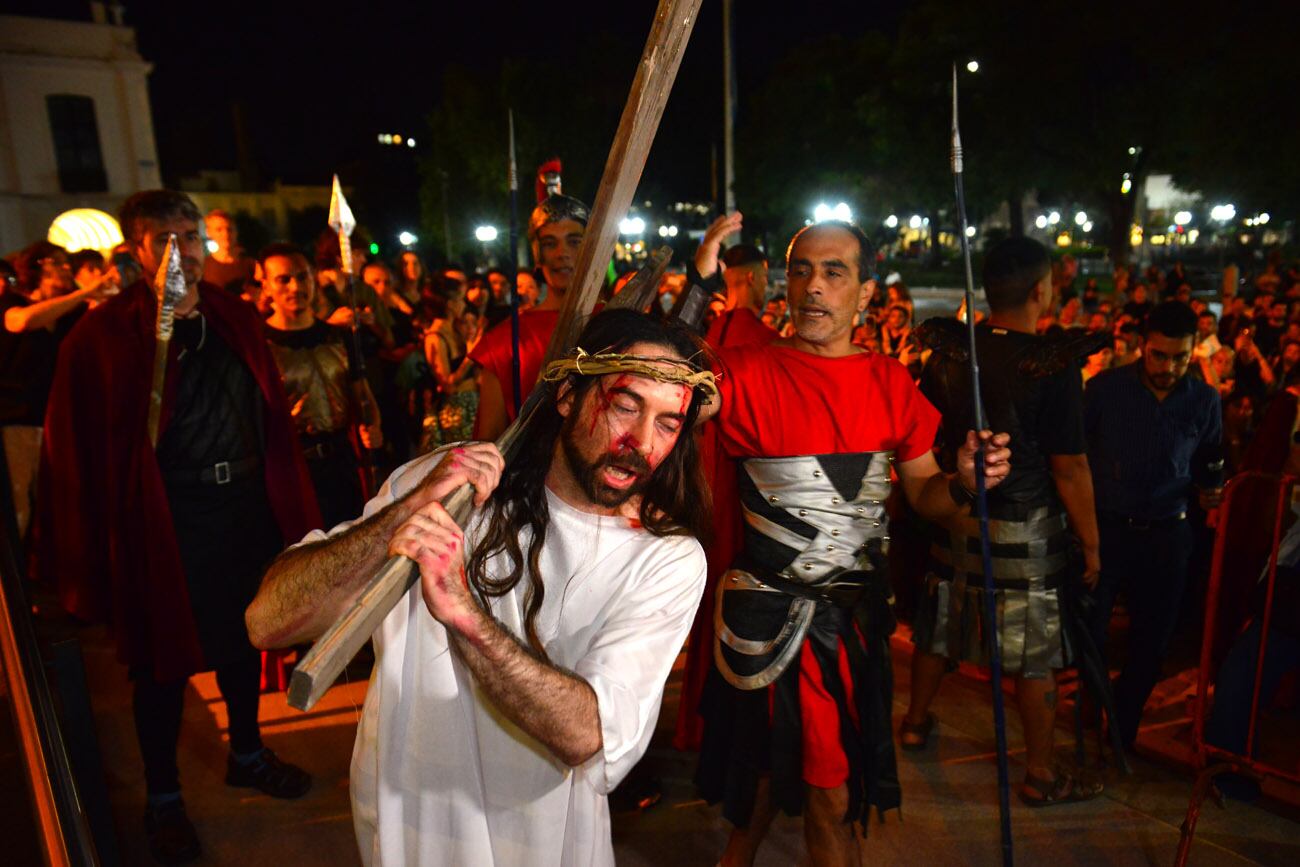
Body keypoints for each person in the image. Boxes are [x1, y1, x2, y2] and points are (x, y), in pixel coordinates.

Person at [246, 308, 712, 866]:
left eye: (667, 423)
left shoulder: (666, 560)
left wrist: (463, 613)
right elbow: (267, 622)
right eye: (625, 406)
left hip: (543, 847)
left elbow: (587, 734)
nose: (640, 441)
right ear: (566, 396)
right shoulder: (447, 483)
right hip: (408, 833)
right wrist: (401, 516)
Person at [693, 221, 1011, 866]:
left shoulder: (893, 383)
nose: (813, 287)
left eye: (834, 272)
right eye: (801, 270)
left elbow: (925, 497)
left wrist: (963, 484)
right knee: (815, 791)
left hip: (857, 628)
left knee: (790, 780)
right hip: (770, 614)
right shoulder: (736, 373)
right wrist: (696, 289)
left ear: (865, 292)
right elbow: (655, 394)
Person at [38, 191, 318, 865]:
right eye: (163, 239)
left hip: (242, 508)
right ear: (135, 251)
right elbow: (74, 448)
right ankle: (162, 797)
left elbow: (267, 416)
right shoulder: (102, 335)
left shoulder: (235, 318)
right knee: (160, 663)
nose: (180, 252)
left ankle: (246, 752)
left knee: (242, 640)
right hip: (168, 518)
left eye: (189, 236)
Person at [906, 237, 1104, 805]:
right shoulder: (1052, 363)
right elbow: (1071, 468)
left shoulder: (947, 351)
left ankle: (915, 722)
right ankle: (1041, 773)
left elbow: (926, 432)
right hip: (1026, 528)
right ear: (1043, 290)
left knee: (941, 612)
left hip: (959, 512)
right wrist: (1092, 543)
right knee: (1034, 649)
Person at [1084, 300, 1224, 749]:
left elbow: (1210, 460)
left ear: (1193, 351)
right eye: (1159, 355)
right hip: (1107, 529)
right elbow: (1076, 459)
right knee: (1090, 632)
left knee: (1152, 642)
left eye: (1180, 357)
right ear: (1142, 347)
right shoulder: (1106, 389)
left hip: (1167, 532)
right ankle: (1091, 715)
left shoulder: (1204, 399)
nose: (1168, 367)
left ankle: (1122, 727)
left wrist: (1212, 488)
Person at [260, 243, 383, 529]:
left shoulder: (337, 337)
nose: (295, 287)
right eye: (284, 279)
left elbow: (362, 393)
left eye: (302, 277)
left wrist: (373, 426)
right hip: (293, 468)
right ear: (266, 286)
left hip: (342, 463)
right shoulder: (260, 344)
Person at [1, 242, 108, 541]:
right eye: (58, 262)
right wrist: (84, 292)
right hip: (15, 420)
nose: (66, 268)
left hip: (54, 422)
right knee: (17, 506)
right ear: (36, 266)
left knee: (52, 509)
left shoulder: (69, 313)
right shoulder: (10, 302)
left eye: (67, 263)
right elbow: (21, 322)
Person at [471, 193, 589, 440]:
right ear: (538, 253)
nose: (561, 253)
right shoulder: (502, 341)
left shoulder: (619, 323)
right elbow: (488, 442)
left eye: (574, 241)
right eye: (549, 243)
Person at [201, 209, 256, 292]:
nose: (225, 234)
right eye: (219, 230)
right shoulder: (202, 267)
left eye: (229, 229)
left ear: (236, 232)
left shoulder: (252, 265)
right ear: (209, 233)